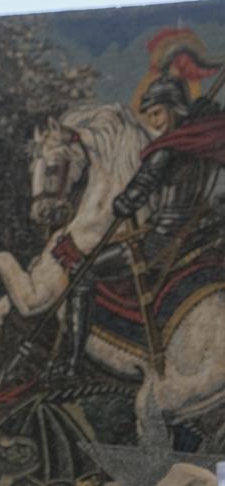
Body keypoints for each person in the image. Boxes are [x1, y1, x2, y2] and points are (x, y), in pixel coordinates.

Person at [61, 75, 225, 375]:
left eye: (158, 113)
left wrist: (123, 202)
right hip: (189, 238)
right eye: (150, 116)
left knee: (80, 273)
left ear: (174, 109)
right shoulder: (201, 143)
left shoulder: (169, 148)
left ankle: (71, 364)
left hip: (158, 241)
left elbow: (136, 193)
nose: (155, 122)